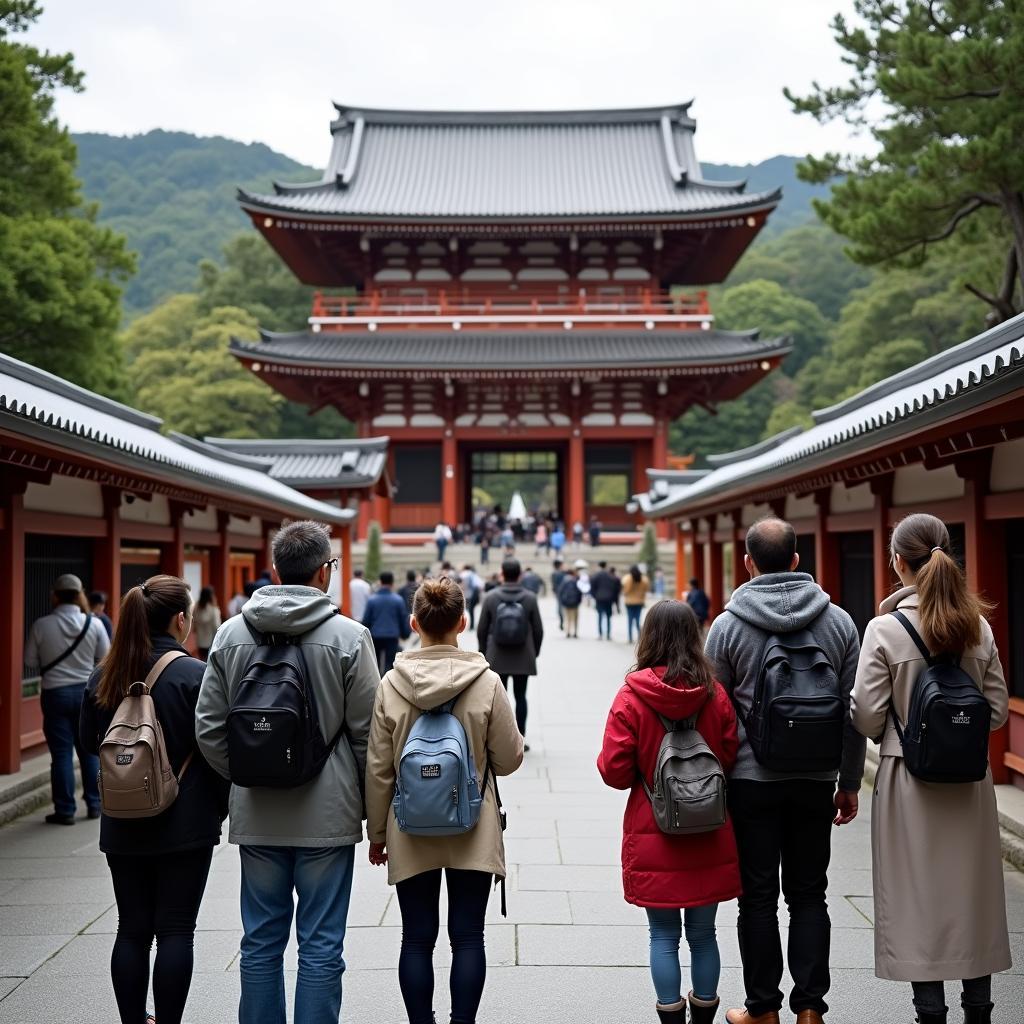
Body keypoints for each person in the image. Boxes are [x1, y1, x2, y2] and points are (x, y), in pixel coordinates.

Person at [195, 520, 380, 1024]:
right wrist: (372, 814)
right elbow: (369, 736)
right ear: (324, 571)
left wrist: (247, 774)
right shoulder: (349, 637)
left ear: (277, 569)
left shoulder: (232, 634)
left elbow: (209, 728)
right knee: (321, 945)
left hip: (257, 812)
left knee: (259, 942)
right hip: (329, 813)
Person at [851, 513, 1010, 1024]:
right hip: (969, 781)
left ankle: (930, 1012)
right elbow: (999, 710)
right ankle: (979, 1011)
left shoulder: (884, 629)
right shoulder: (978, 627)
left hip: (906, 778)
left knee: (916, 894)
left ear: (898, 561)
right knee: (972, 894)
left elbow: (867, 714)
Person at [704, 517, 865, 1024]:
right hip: (816, 780)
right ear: (797, 560)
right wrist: (850, 781)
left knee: (757, 899)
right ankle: (811, 1009)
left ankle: (763, 1010)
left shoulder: (728, 626)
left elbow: (716, 712)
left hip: (751, 782)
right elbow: (853, 712)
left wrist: (722, 781)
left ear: (749, 563)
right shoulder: (838, 622)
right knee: (809, 894)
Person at [365, 576, 524, 1024]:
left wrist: (378, 835)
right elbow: (510, 760)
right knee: (468, 936)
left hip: (409, 826)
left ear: (413, 622)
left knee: (416, 939)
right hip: (473, 824)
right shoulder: (487, 682)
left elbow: (379, 770)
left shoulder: (389, 685)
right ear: (464, 622)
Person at [81, 575, 229, 1024]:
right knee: (176, 930)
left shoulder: (103, 677)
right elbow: (218, 749)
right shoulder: (196, 677)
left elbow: (90, 742)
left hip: (123, 820)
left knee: (131, 930)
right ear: (181, 620)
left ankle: (132, 1020)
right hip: (185, 821)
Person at [598, 600, 741, 1024]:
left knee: (662, 935)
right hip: (710, 826)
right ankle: (705, 1015)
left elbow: (613, 770)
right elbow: (730, 752)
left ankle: (670, 1016)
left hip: (653, 826)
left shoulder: (631, 695)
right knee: (703, 934)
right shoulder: (713, 693)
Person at [24, 573, 110, 825]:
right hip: (86, 692)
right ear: (80, 594)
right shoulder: (93, 624)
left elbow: (29, 660)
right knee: (89, 750)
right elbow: (105, 656)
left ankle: (65, 809)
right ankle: (95, 804)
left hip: (55, 693)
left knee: (61, 754)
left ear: (55, 595)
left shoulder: (42, 625)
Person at [476, 558, 544, 752]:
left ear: (502, 574)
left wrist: (484, 652)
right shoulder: (530, 598)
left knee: (498, 700)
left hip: (497, 655)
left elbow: (482, 628)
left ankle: (499, 740)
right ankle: (520, 738)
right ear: (520, 574)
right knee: (521, 696)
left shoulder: (490, 597)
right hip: (523, 655)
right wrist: (534, 652)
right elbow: (539, 629)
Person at [363, 570, 412, 674]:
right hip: (392, 636)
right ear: (392, 583)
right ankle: (388, 685)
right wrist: (405, 634)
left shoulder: (372, 600)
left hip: (376, 635)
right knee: (390, 665)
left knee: (375, 664)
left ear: (380, 582)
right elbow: (402, 619)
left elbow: (366, 620)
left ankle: (377, 685)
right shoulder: (398, 600)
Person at [589, 561, 621, 641]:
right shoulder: (611, 576)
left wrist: (595, 596)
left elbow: (592, 587)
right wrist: (614, 599)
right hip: (609, 599)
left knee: (600, 616)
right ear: (606, 566)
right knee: (608, 617)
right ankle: (608, 634)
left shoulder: (596, 576)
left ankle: (600, 634)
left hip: (599, 599)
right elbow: (615, 588)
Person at [193, 586, 222, 660]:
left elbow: (194, 624)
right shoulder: (213, 609)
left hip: (200, 640)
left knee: (201, 659)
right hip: (211, 641)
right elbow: (217, 626)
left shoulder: (196, 607)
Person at [623, 565, 650, 643]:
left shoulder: (628, 579)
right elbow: (646, 589)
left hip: (629, 602)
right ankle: (640, 637)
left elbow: (626, 591)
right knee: (638, 620)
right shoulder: (644, 579)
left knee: (630, 620)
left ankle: (630, 637)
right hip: (639, 602)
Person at [558, 568, 583, 639]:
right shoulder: (575, 581)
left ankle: (568, 632)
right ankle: (575, 632)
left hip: (566, 603)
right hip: (575, 603)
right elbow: (579, 592)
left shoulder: (564, 581)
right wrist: (579, 601)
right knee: (575, 618)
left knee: (567, 618)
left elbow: (560, 592)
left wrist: (562, 601)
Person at [460, 564, 483, 629]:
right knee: (471, 610)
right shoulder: (474, 574)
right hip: (475, 594)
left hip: (469, 594)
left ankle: (468, 625)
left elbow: (465, 585)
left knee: (468, 610)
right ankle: (471, 625)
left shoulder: (466, 574)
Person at [551, 560, 568, 631]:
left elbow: (554, 585)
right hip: (564, 592)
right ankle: (565, 622)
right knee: (564, 608)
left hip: (558, 593)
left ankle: (562, 621)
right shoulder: (563, 573)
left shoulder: (554, 573)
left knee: (559, 608)